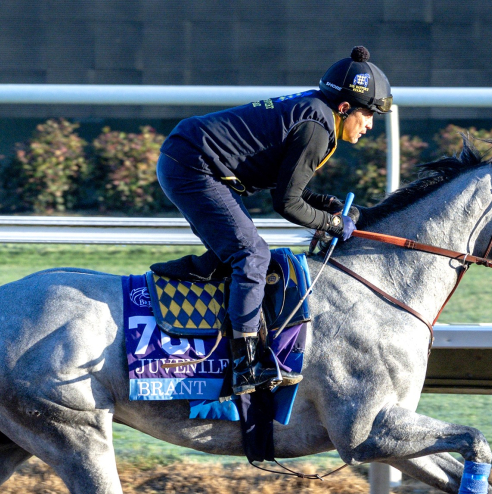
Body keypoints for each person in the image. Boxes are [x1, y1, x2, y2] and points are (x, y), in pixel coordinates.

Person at [156, 45, 393, 396]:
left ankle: (197, 272)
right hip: (195, 166)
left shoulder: (317, 110)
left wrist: (326, 205)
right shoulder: (317, 128)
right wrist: (331, 225)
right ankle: (245, 364)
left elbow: (286, 187)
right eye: (368, 114)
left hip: (195, 159)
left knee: (239, 254)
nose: (371, 124)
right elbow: (287, 204)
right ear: (344, 108)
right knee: (252, 257)